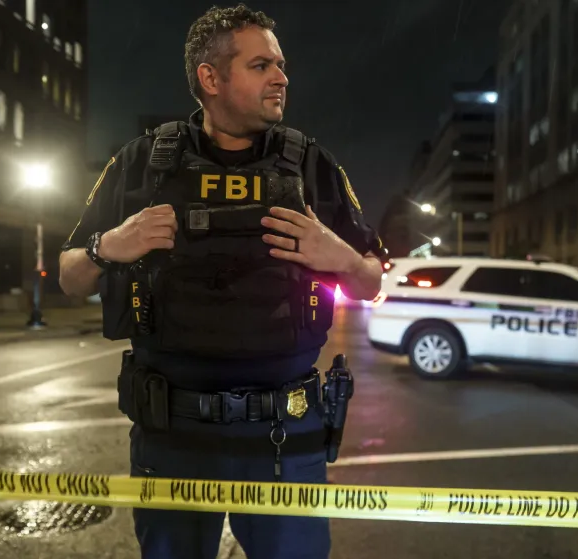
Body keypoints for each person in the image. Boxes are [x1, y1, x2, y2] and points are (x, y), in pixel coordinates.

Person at [58, 4, 385, 558]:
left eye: (281, 65)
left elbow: (371, 282)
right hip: (172, 436)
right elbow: (69, 276)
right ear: (210, 78)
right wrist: (109, 246)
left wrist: (344, 260)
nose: (282, 77)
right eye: (261, 65)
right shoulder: (139, 164)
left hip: (285, 437)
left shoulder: (312, 166)